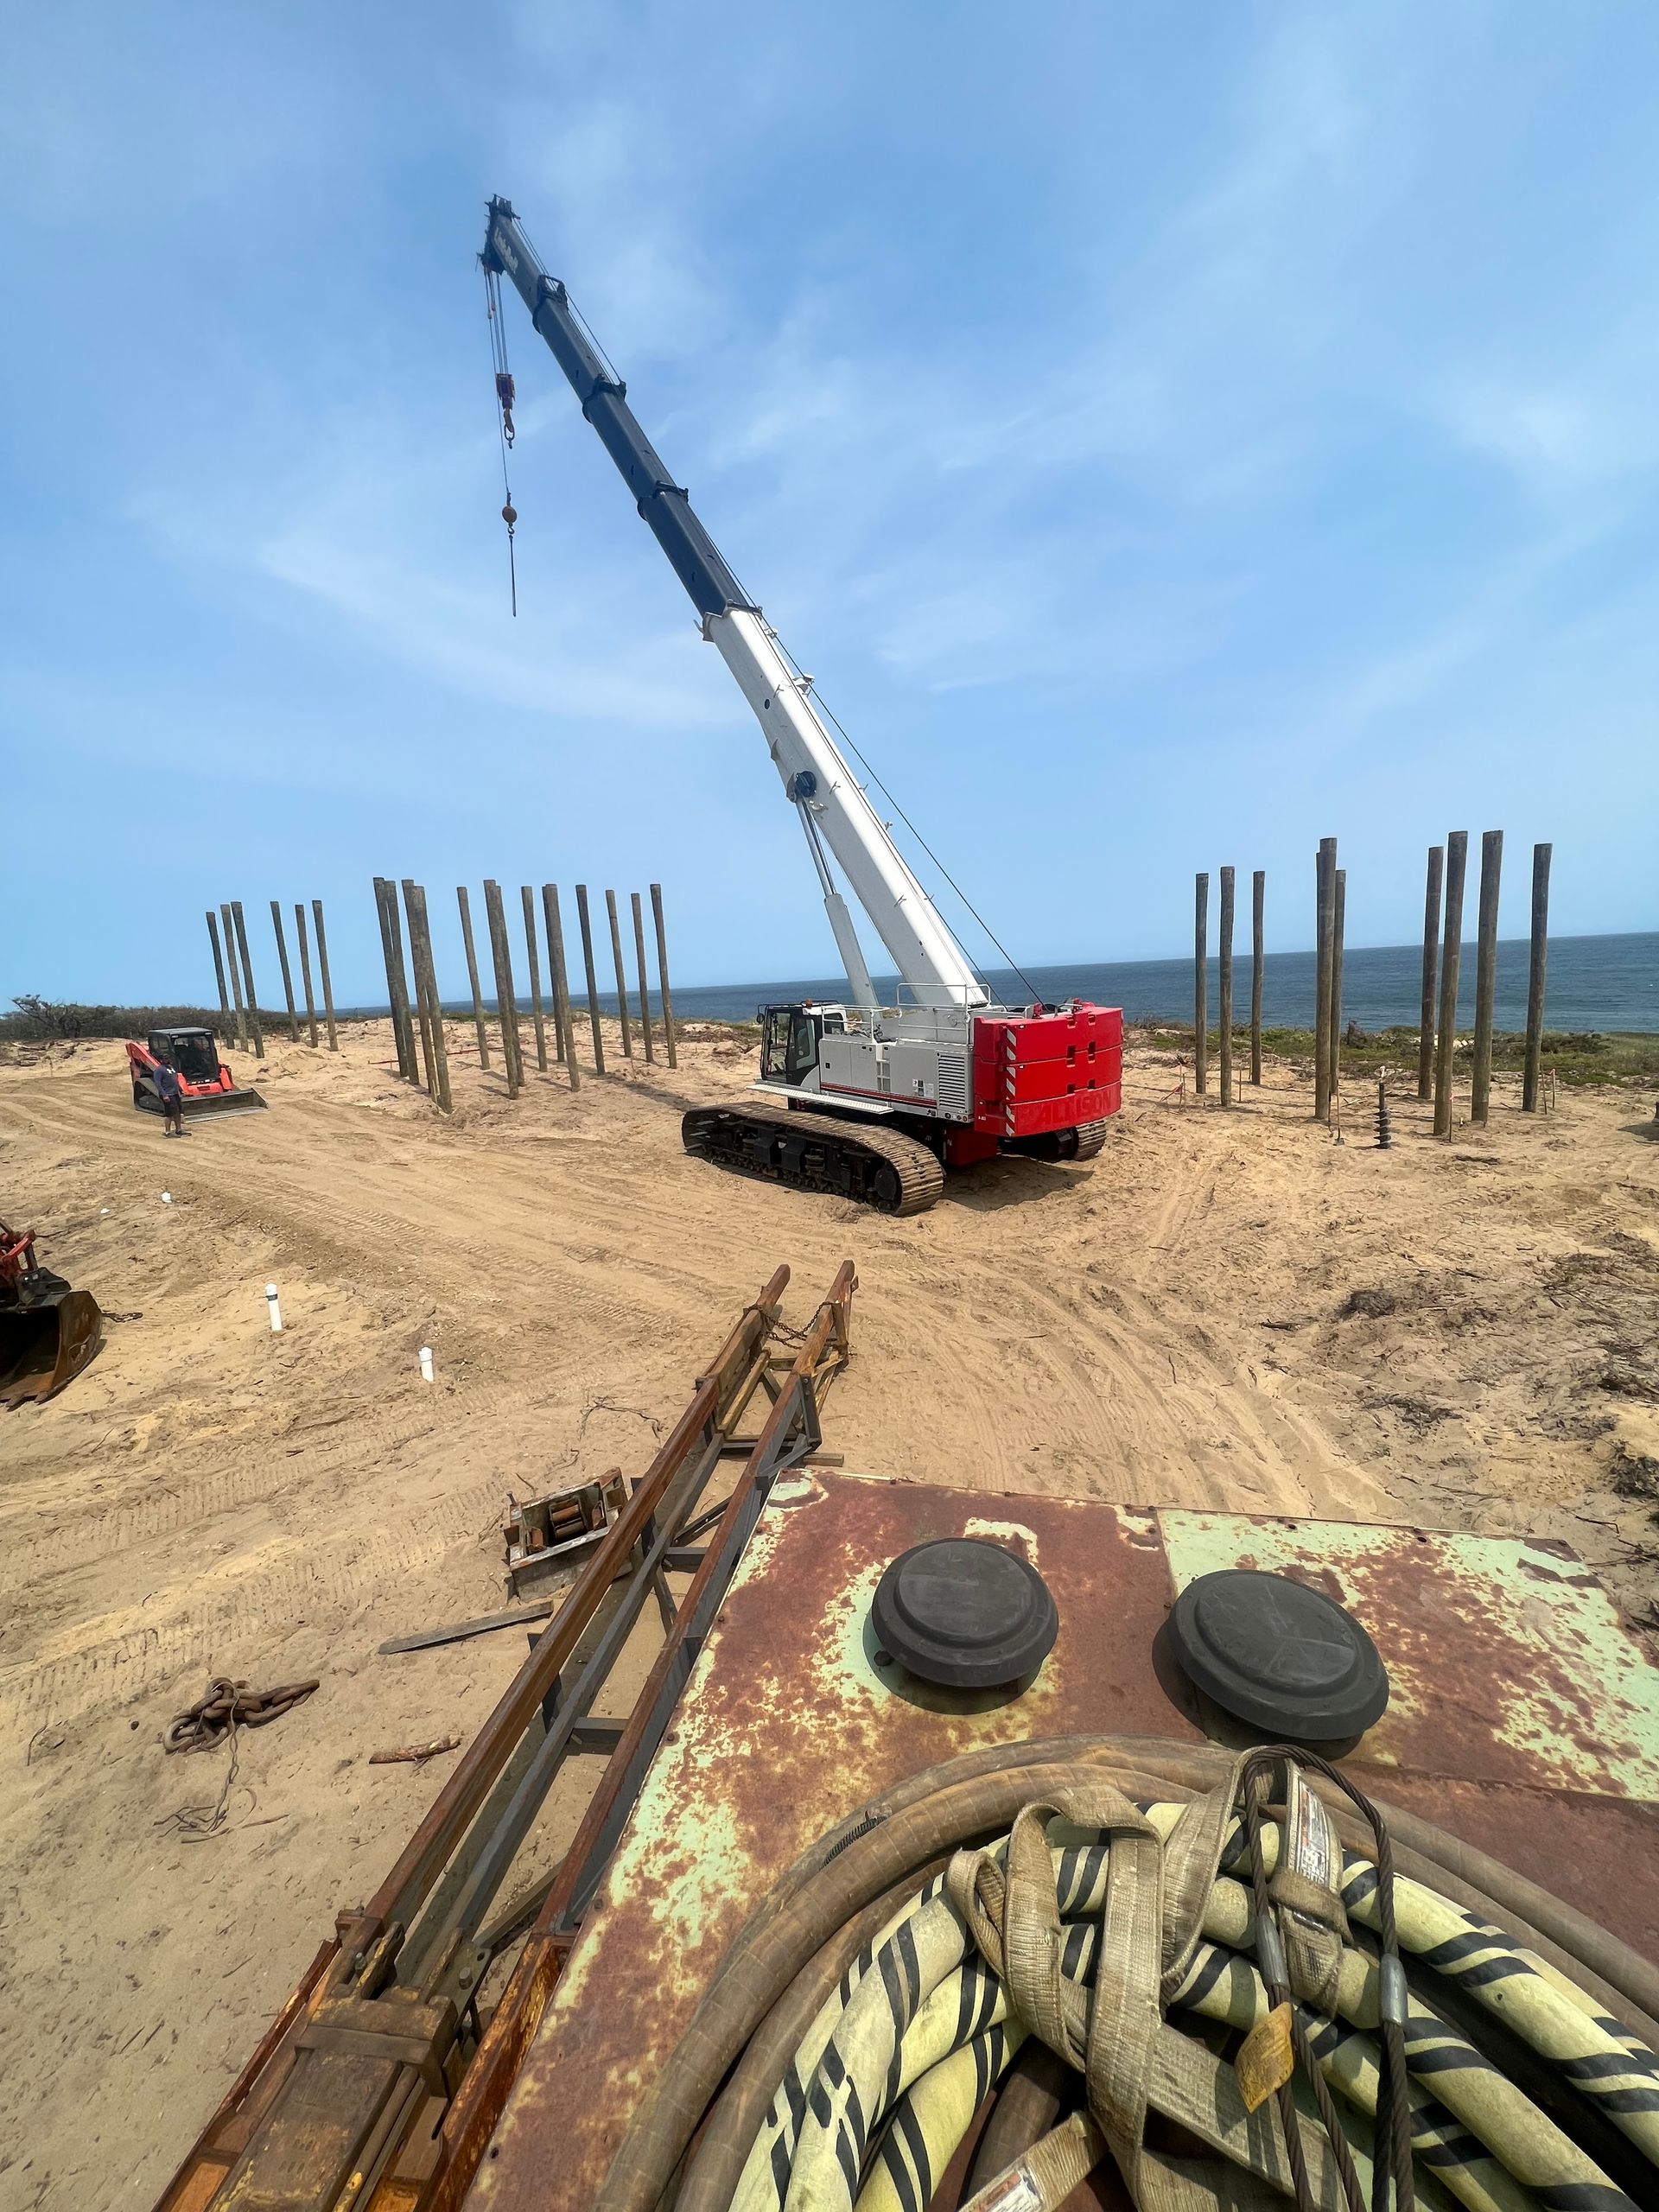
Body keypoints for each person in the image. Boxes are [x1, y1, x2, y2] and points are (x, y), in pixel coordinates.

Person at [155, 1057, 187, 1137]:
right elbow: (158, 1084)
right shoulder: (159, 1070)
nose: (167, 1060)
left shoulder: (171, 1068)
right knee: (169, 1113)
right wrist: (164, 1095)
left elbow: (175, 1080)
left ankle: (179, 1130)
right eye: (165, 1059)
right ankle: (168, 1132)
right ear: (161, 1060)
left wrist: (180, 1090)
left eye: (167, 1058)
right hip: (168, 1094)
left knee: (178, 1112)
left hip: (175, 1093)